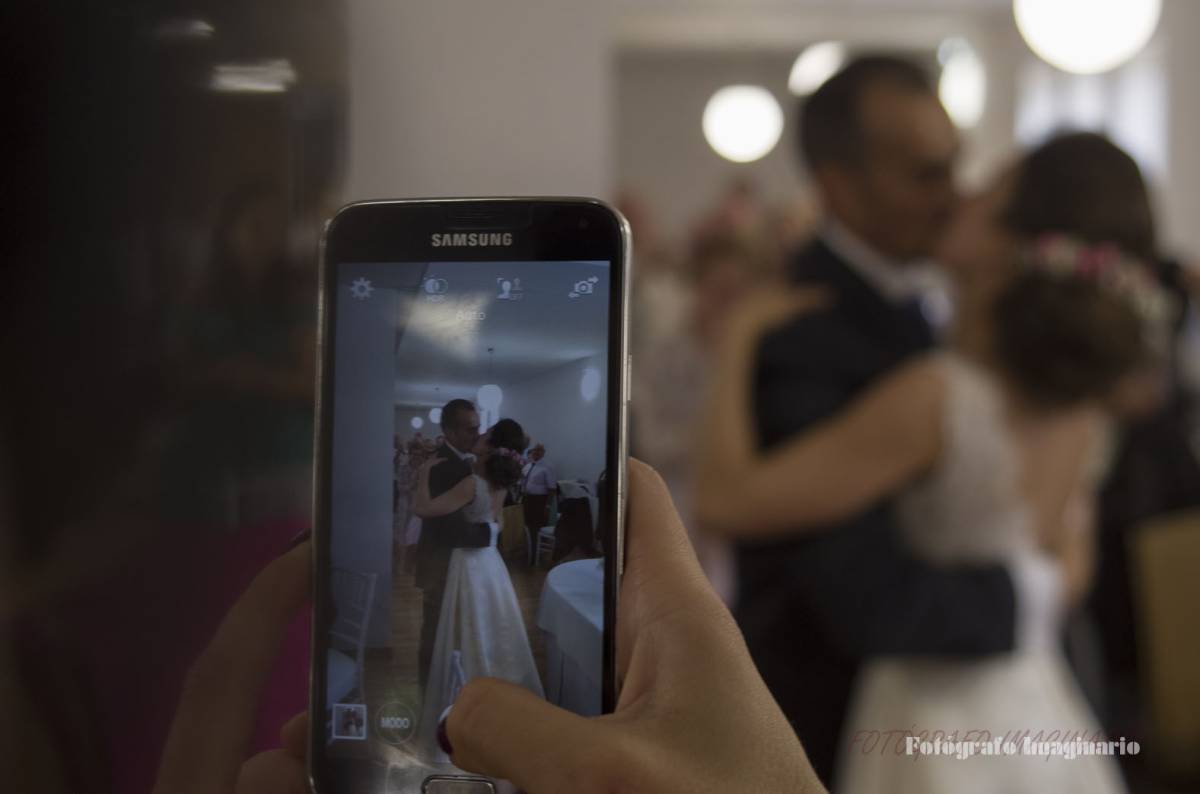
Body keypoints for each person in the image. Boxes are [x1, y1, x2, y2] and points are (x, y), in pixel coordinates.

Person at [698, 132, 1167, 792]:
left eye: (988, 193)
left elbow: (723, 501)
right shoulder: (1084, 408)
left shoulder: (938, 397)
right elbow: (1067, 573)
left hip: (929, 711)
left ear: (1010, 244)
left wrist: (738, 339)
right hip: (1035, 700)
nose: (961, 196)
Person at [703, 55, 1060, 787]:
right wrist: (1035, 592)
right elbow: (864, 594)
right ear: (839, 185)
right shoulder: (798, 331)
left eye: (956, 166)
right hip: (839, 719)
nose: (953, 195)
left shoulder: (931, 306)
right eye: (926, 174)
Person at [153, 461, 826, 794]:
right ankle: (474, 701)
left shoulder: (484, 477)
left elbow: (499, 522)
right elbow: (426, 514)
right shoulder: (437, 472)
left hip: (484, 562)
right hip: (460, 561)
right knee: (460, 630)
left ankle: (491, 705)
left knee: (494, 626)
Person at [412, 418, 544, 760]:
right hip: (491, 566)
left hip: (469, 565)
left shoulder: (473, 482)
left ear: (491, 445)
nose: (479, 435)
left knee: (466, 631)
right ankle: (499, 708)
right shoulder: (499, 481)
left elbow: (422, 508)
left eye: (485, 433)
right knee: (495, 628)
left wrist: (424, 473)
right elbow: (495, 524)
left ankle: (467, 706)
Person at [414, 400, 493, 690]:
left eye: (478, 427)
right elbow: (453, 531)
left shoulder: (461, 462)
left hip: (450, 563)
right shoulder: (445, 466)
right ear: (448, 430)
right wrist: (491, 533)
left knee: (449, 632)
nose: (477, 434)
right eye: (470, 429)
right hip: (440, 563)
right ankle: (430, 692)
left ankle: (445, 689)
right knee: (435, 634)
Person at [520, 443, 556, 560]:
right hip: (527, 499)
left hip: (539, 501)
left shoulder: (547, 467)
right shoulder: (529, 465)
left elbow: (552, 488)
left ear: (543, 453)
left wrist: (548, 506)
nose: (536, 453)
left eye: (539, 451)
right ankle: (528, 550)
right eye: (535, 450)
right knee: (526, 525)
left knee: (535, 526)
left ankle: (536, 553)